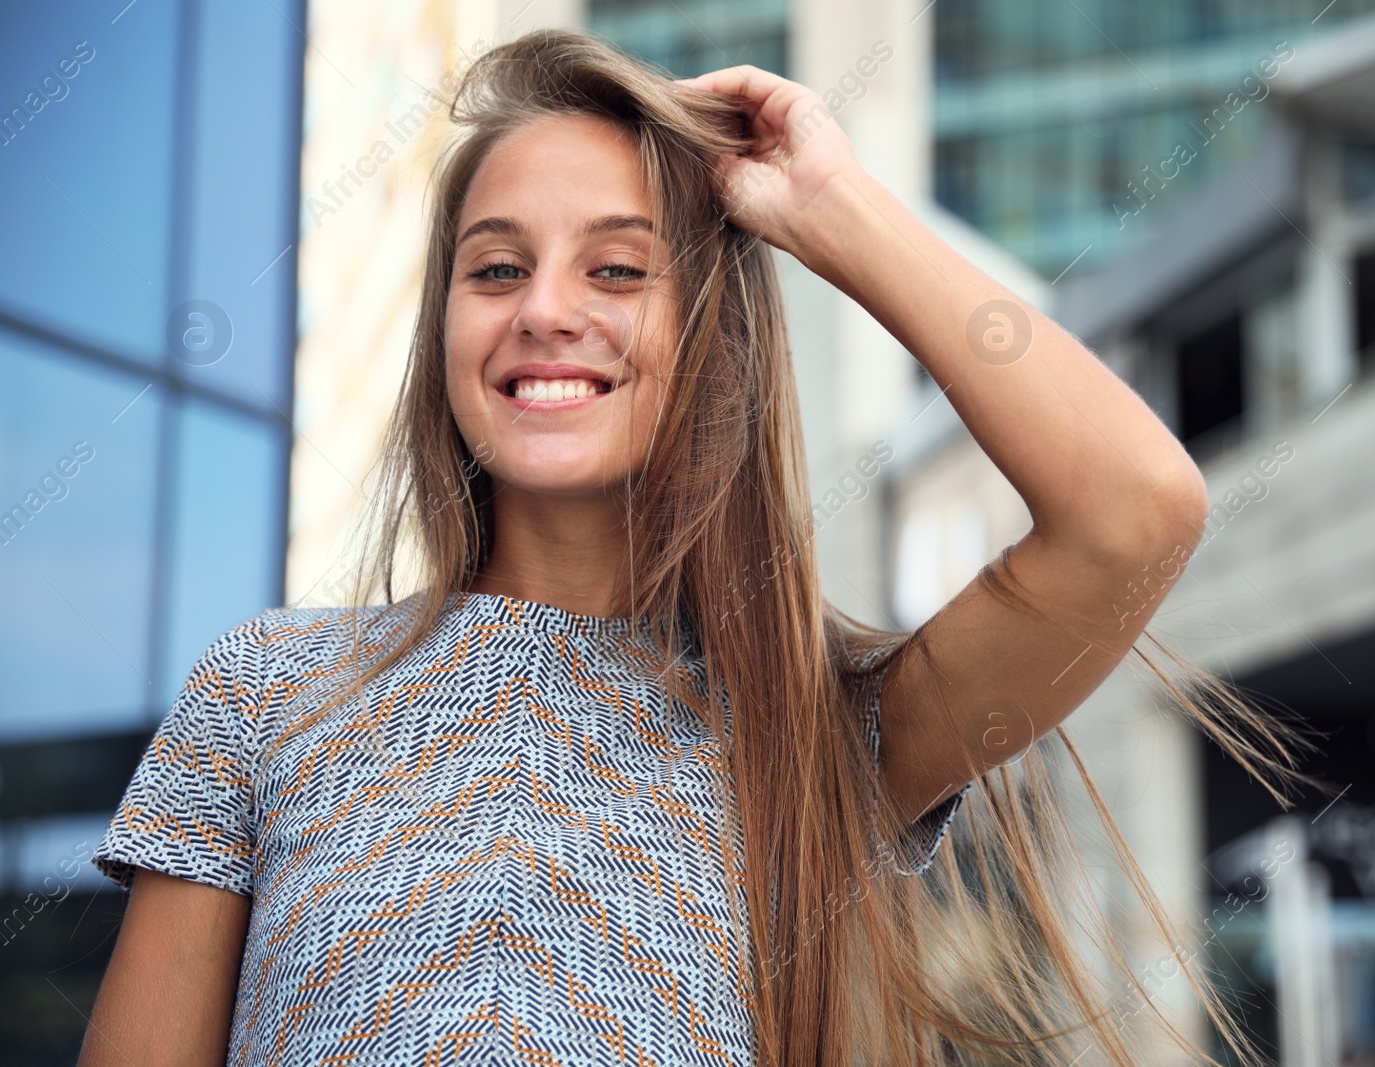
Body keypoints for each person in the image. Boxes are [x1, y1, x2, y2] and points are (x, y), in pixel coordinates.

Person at [81, 27, 1312, 1067]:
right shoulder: (264, 693)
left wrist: (833, 210)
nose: (546, 308)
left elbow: (1138, 509)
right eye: (495, 267)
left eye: (618, 267)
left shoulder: (829, 727)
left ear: (709, 334)